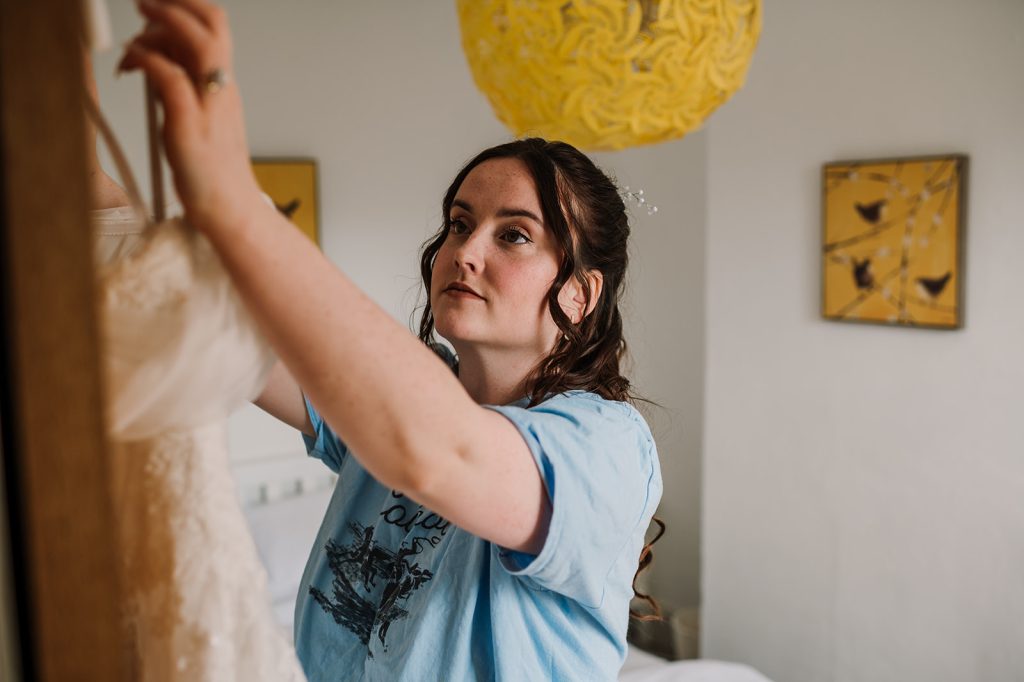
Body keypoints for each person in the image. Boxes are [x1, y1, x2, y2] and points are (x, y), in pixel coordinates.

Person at [118, 1, 664, 679]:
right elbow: (225, 325)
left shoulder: (606, 447)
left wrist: (232, 199)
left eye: (514, 235)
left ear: (580, 295)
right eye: (460, 225)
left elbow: (437, 452)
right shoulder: (395, 399)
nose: (465, 252)